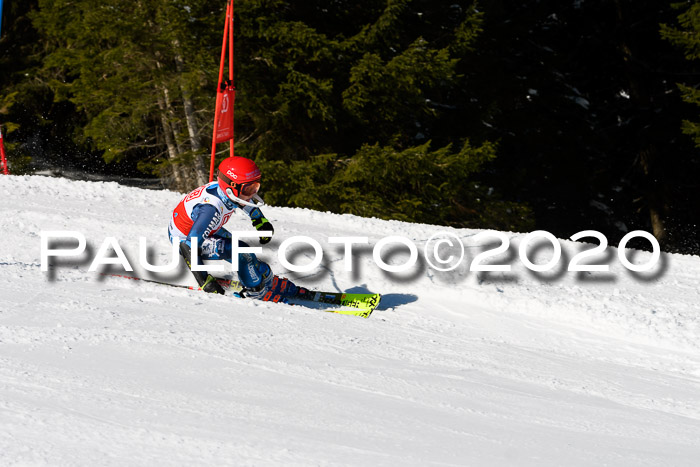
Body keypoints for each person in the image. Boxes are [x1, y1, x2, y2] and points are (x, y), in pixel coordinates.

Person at [168, 156, 297, 300]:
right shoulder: (211, 209)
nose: (252, 194)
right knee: (241, 251)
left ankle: (265, 277)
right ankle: (256, 293)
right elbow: (189, 245)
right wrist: (205, 282)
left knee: (246, 254)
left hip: (206, 229)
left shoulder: (227, 193)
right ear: (231, 187)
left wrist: (260, 220)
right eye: (249, 189)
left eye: (255, 187)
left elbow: (242, 200)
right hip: (184, 239)